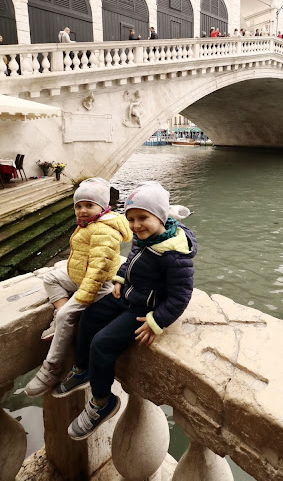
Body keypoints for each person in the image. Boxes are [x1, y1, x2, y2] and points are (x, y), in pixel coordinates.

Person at [53, 181, 196, 440]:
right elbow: (130, 262)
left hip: (144, 309)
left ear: (161, 216)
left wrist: (157, 321)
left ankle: (101, 402)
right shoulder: (145, 238)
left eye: (143, 218)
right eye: (131, 219)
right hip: (126, 295)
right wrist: (120, 278)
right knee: (87, 318)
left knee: (102, 343)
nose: (136, 225)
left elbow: (181, 296)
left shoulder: (174, 256)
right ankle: (82, 369)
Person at [24, 178, 132, 398]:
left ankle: (52, 367)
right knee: (51, 278)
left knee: (66, 315)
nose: (82, 210)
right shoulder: (90, 223)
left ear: (102, 207)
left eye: (89, 205)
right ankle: (60, 317)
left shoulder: (104, 231)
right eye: (78, 206)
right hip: (80, 277)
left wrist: (80, 299)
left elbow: (98, 270)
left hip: (99, 285)